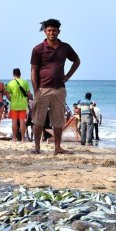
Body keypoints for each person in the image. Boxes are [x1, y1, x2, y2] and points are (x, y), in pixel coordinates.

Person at [30, 18, 80, 154]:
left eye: (54, 30)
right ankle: (37, 147)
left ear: (59, 32)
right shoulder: (38, 49)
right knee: (38, 120)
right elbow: (34, 70)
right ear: (45, 32)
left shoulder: (65, 47)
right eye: (49, 30)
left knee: (58, 120)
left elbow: (77, 60)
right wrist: (36, 91)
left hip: (59, 89)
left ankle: (58, 148)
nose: (52, 32)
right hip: (43, 89)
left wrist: (68, 76)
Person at [5, 68, 31, 142]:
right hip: (23, 105)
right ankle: (23, 139)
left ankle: (14, 138)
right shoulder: (25, 82)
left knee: (14, 122)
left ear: (13, 74)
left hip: (14, 105)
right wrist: (27, 101)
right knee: (22, 121)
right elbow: (28, 94)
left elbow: (7, 94)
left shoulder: (10, 83)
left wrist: (11, 99)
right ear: (20, 74)